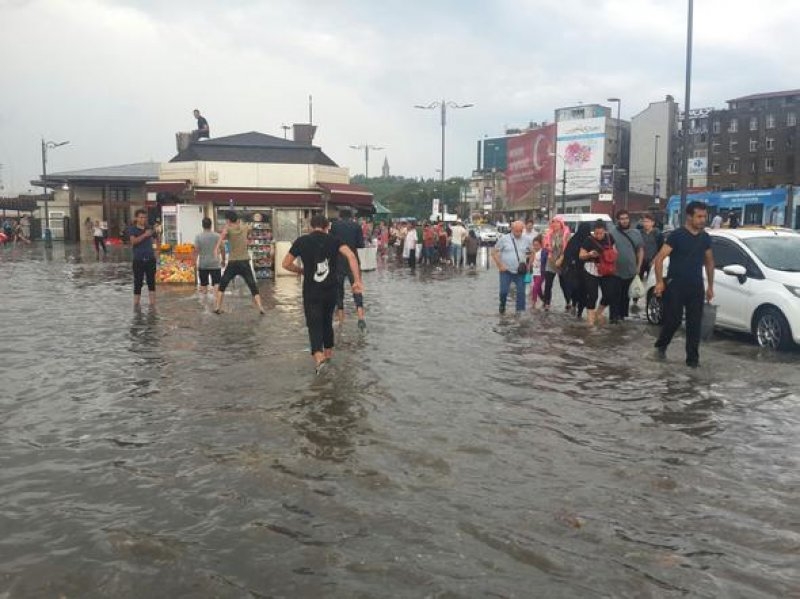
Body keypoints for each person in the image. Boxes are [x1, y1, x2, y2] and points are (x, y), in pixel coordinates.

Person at [281, 214, 364, 374]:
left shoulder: (301, 241)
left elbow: (285, 264)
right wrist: (357, 281)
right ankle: (328, 356)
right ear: (327, 227)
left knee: (314, 324)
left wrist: (302, 271)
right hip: (330, 291)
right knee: (327, 323)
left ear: (310, 226)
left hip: (311, 291)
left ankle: (319, 359)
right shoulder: (334, 240)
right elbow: (351, 256)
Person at [653, 201, 715, 368]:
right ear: (689, 217)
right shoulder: (676, 236)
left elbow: (709, 262)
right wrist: (659, 282)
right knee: (673, 320)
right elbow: (659, 259)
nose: (703, 220)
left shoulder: (705, 238)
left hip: (696, 287)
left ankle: (692, 362)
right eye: (699, 216)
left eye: (704, 216)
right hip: (676, 286)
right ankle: (660, 346)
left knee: (695, 325)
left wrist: (710, 286)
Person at [213, 211, 264, 315]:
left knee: (222, 284)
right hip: (244, 261)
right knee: (252, 285)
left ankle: (218, 307)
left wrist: (216, 248)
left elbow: (222, 236)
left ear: (228, 220)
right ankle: (260, 307)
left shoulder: (228, 229)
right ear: (237, 219)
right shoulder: (244, 227)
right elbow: (250, 228)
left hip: (233, 262)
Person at [330, 209, 366, 329]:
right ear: (351, 217)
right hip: (353, 261)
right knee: (356, 286)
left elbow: (331, 242)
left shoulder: (334, 226)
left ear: (340, 216)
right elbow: (361, 244)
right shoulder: (356, 226)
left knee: (339, 290)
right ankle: (361, 317)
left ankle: (341, 321)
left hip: (338, 260)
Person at [608, 209, 644, 323]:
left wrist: (639, 266)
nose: (624, 221)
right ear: (618, 220)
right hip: (615, 271)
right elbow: (606, 249)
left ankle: (622, 317)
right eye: (622, 219)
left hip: (630, 270)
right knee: (615, 295)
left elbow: (640, 250)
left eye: (626, 218)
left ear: (629, 219)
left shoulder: (636, 233)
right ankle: (613, 318)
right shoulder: (612, 233)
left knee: (626, 295)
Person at [579, 219, 617, 326]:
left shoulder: (610, 238)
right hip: (591, 270)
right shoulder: (588, 240)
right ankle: (590, 323)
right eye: (596, 233)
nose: (599, 235)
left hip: (606, 270)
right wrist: (589, 254)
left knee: (609, 294)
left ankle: (597, 313)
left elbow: (614, 251)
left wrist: (610, 256)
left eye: (601, 233)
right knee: (592, 295)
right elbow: (581, 255)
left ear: (605, 231)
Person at [492, 220, 529, 314]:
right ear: (512, 229)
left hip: (520, 272)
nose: (519, 233)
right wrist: (499, 265)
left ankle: (519, 313)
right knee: (504, 291)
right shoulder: (504, 239)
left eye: (521, 231)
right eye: (517, 231)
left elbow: (532, 252)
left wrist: (529, 265)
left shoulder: (526, 239)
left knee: (521, 292)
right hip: (506, 271)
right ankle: (502, 304)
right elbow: (494, 252)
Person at [127, 209, 158, 307]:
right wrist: (145, 235)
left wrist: (156, 251)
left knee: (151, 282)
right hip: (138, 260)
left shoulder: (150, 228)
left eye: (144, 217)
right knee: (138, 283)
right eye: (141, 217)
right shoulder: (132, 229)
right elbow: (133, 242)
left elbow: (155, 241)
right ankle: (136, 305)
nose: (143, 219)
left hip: (150, 259)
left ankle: (152, 305)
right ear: (136, 218)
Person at [562, 223, 591, 318]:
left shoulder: (590, 240)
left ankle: (579, 312)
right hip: (574, 271)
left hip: (586, 271)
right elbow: (567, 254)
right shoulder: (574, 240)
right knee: (576, 290)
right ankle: (574, 305)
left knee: (584, 292)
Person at [543, 217, 570, 311]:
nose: (554, 224)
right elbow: (546, 246)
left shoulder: (566, 234)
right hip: (551, 261)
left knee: (564, 283)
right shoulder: (549, 234)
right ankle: (547, 303)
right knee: (548, 284)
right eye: (553, 222)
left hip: (562, 261)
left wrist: (561, 259)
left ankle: (568, 302)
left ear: (561, 224)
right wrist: (549, 254)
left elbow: (567, 249)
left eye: (557, 222)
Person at [194, 217, 224, 295]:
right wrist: (223, 260)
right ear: (211, 225)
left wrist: (194, 263)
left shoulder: (198, 236)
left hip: (203, 264)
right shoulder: (217, 236)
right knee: (216, 285)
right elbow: (223, 248)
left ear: (202, 225)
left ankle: (204, 305)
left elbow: (196, 251)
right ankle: (217, 304)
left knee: (203, 286)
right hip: (215, 264)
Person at [639, 213, 664, 281]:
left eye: (648, 221)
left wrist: (654, 260)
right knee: (638, 281)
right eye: (644, 221)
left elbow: (661, 249)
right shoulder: (639, 233)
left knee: (652, 281)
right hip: (641, 261)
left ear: (653, 223)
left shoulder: (658, 234)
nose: (646, 223)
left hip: (653, 261)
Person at [529, 235, 545, 309]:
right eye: (534, 245)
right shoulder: (534, 252)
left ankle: (533, 303)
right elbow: (531, 262)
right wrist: (528, 269)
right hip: (534, 273)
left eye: (537, 245)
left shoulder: (543, 252)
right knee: (538, 290)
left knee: (535, 288)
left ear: (541, 245)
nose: (535, 246)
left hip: (541, 273)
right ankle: (544, 300)